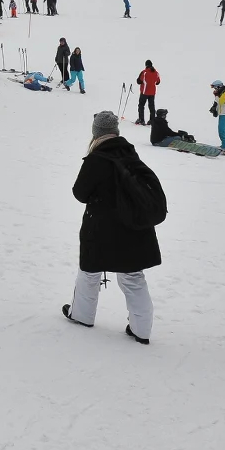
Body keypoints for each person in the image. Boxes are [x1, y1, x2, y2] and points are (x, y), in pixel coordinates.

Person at [62, 111, 162, 344]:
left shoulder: (97, 159)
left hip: (101, 230)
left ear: (96, 133)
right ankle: (141, 330)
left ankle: (82, 315)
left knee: (89, 272)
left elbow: (80, 193)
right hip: (135, 228)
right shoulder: (131, 155)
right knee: (133, 277)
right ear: (116, 132)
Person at [210, 79, 225, 152]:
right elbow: (220, 103)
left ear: (218, 87)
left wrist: (217, 95)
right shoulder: (221, 93)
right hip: (223, 114)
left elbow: (221, 101)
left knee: (222, 131)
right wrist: (215, 109)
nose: (214, 89)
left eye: (215, 88)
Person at [135, 60, 159, 125]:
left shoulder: (144, 72)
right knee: (151, 106)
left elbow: (138, 81)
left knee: (141, 105)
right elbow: (158, 82)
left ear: (146, 65)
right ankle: (152, 120)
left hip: (144, 92)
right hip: (152, 92)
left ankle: (141, 119)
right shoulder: (156, 73)